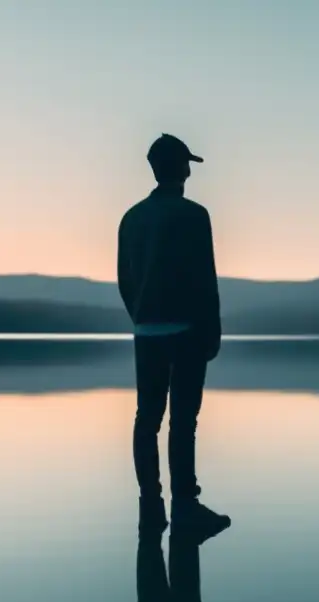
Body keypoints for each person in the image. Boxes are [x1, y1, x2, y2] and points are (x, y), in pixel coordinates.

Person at [118, 134, 230, 542]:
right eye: (187, 163)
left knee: (146, 420)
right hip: (185, 332)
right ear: (179, 167)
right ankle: (185, 506)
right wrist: (212, 331)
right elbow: (205, 279)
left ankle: (151, 507)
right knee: (183, 421)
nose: (188, 170)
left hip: (145, 334)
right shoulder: (194, 215)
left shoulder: (131, 218)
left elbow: (125, 280)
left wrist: (142, 317)